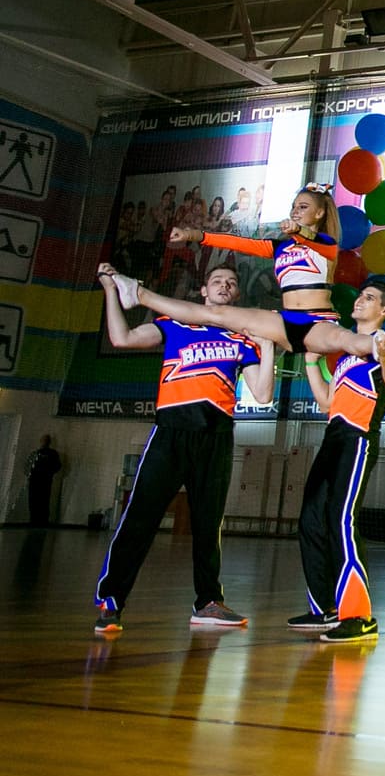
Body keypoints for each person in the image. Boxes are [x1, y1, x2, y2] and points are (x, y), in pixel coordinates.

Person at [93, 265, 274, 633]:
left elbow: (263, 394)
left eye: (232, 282)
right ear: (203, 290)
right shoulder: (175, 323)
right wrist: (111, 291)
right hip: (171, 433)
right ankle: (111, 601)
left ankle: (208, 602)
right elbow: (122, 339)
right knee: (140, 518)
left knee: (208, 525)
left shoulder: (243, 339)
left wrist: (268, 343)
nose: (225, 285)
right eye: (217, 280)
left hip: (216, 437)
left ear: (237, 294)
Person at [106, 184, 378, 360]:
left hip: (317, 321)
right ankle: (138, 293)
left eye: (303, 207)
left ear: (319, 213)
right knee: (215, 313)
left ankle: (383, 347)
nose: (296, 211)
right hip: (285, 322)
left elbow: (312, 239)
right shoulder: (279, 247)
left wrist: (298, 230)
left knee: (346, 340)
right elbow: (236, 242)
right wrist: (194, 234)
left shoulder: (326, 245)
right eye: (294, 207)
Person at [294, 282, 385, 643]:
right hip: (332, 439)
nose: (360, 300)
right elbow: (327, 402)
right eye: (361, 295)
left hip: (358, 438)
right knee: (311, 519)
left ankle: (359, 616)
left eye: (370, 298)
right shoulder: (344, 355)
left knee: (342, 521)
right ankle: (325, 608)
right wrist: (311, 362)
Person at [25, 435, 61, 527]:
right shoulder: (37, 453)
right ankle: (35, 520)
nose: (44, 442)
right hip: (38, 480)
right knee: (35, 500)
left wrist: (49, 473)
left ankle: (41, 521)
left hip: (43, 481)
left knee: (42, 501)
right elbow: (28, 466)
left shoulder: (51, 454)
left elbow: (57, 466)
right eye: (44, 440)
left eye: (46, 440)